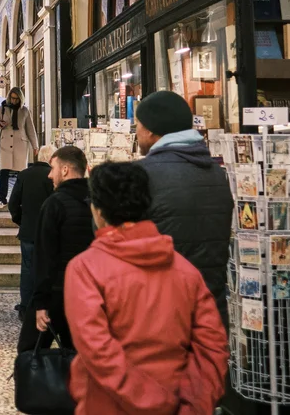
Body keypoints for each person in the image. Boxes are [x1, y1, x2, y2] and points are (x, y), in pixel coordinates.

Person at [64, 161, 229, 414]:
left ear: (98, 212)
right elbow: (212, 346)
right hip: (179, 403)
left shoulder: (85, 269)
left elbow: (98, 350)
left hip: (108, 404)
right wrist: (190, 405)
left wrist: (153, 399)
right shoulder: (186, 271)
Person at [135, 90, 234, 326]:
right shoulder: (216, 173)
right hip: (211, 311)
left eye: (137, 124)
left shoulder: (142, 175)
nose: (136, 132)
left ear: (150, 129)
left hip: (161, 315)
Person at [17, 145, 91, 353]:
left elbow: (44, 256)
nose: (50, 175)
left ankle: (40, 385)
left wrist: (40, 303)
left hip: (56, 293)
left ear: (65, 170)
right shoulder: (97, 201)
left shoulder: (55, 204)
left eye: (52, 168)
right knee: (78, 351)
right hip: (86, 293)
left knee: (29, 351)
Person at [8, 144, 55, 317]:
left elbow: (13, 202)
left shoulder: (24, 175)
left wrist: (20, 220)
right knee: (48, 268)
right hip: (48, 231)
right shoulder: (52, 176)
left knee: (27, 269)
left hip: (28, 230)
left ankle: (25, 306)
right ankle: (44, 306)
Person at [0, 87, 38, 207]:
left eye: (16, 99)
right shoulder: (2, 109)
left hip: (20, 144)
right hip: (5, 144)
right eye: (12, 98)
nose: (14, 101)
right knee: (4, 172)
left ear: (20, 99)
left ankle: (20, 198)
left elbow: (30, 129)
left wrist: (35, 146)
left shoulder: (24, 111)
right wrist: (0, 124)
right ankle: (1, 198)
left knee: (21, 173)